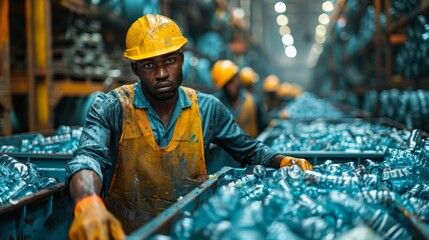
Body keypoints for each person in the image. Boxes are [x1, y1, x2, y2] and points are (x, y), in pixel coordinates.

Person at [66, 14, 313, 239]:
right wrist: (88, 201)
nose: (162, 73)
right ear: (135, 69)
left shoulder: (207, 109)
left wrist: (281, 161)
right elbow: (88, 158)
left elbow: (247, 150)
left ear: (182, 60)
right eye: (149, 65)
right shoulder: (112, 107)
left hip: (188, 233)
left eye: (170, 60)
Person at [211, 60, 259, 138]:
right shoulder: (216, 104)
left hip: (250, 147)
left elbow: (262, 124)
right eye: (226, 84)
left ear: (237, 78)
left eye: (232, 81)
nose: (230, 87)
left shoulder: (253, 102)